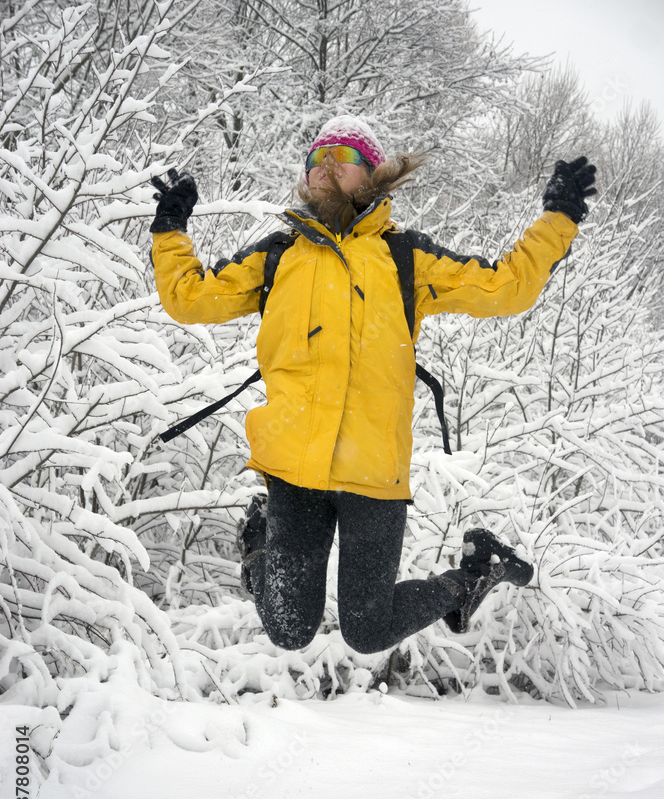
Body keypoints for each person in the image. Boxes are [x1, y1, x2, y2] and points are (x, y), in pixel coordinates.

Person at [150, 115, 596, 654]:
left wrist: (559, 219)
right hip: (294, 469)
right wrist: (170, 227)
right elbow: (190, 299)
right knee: (289, 630)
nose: (327, 167)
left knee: (368, 631)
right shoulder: (278, 256)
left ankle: (479, 572)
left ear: (373, 175)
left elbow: (506, 288)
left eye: (343, 157)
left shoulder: (405, 257)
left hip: (373, 476)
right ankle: (256, 540)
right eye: (317, 158)